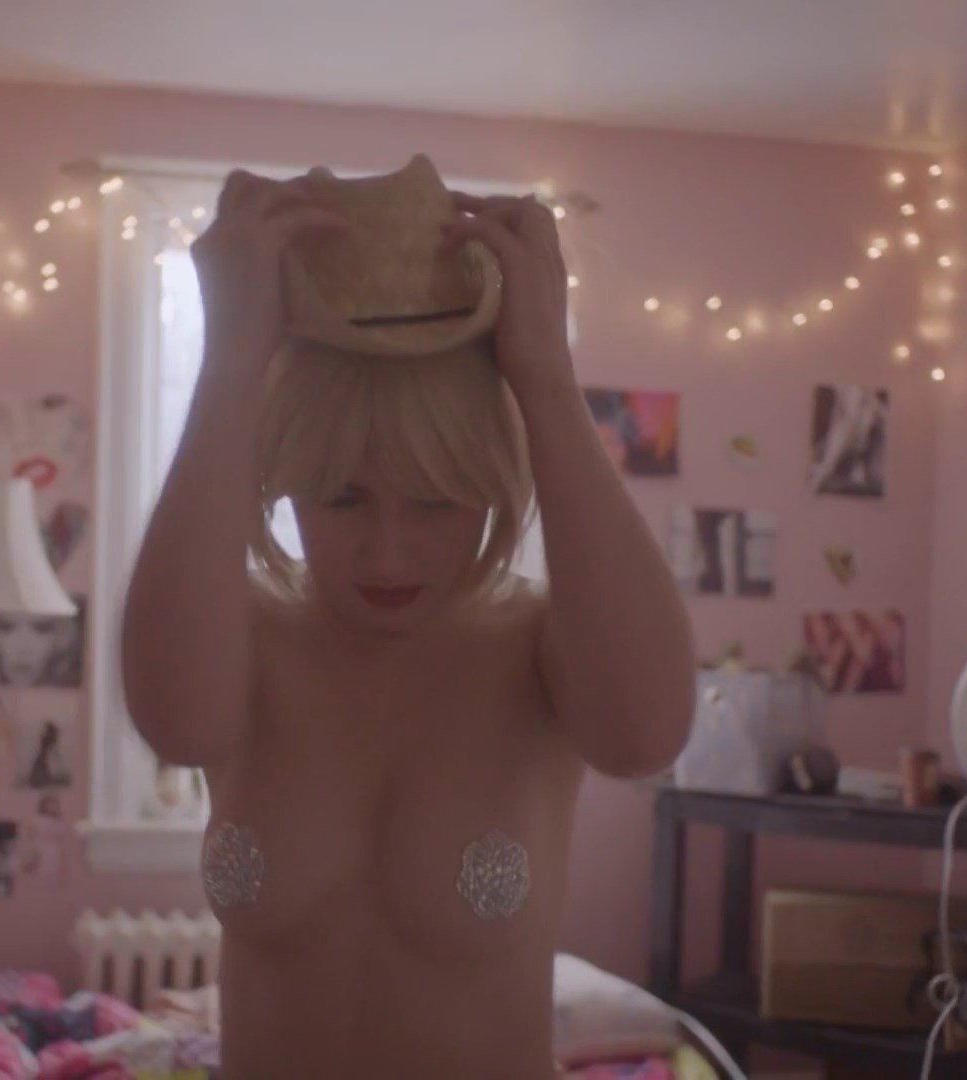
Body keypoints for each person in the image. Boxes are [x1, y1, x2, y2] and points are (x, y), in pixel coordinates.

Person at [121, 157, 694, 1078]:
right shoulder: (246, 641)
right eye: (342, 498)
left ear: (491, 486)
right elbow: (172, 722)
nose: (388, 555)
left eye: (435, 502)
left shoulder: (539, 650)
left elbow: (647, 737)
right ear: (288, 482)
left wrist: (545, 374)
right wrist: (232, 357)